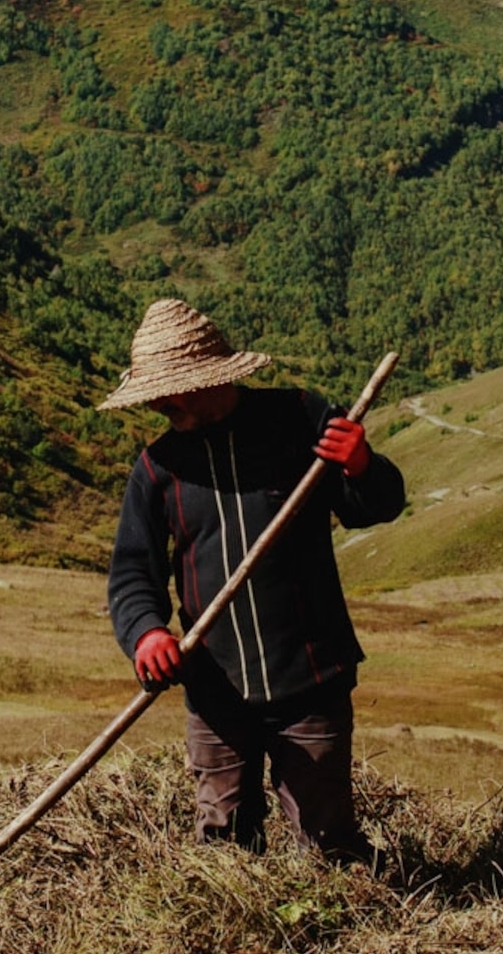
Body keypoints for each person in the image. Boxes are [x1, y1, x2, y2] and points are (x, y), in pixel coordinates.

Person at [101, 298, 405, 862]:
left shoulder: (300, 419)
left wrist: (362, 465)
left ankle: (344, 937)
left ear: (208, 379)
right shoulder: (157, 467)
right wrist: (147, 634)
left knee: (329, 840)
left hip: (311, 679)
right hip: (216, 692)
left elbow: (377, 507)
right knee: (224, 845)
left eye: (172, 392)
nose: (162, 405)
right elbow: (131, 573)